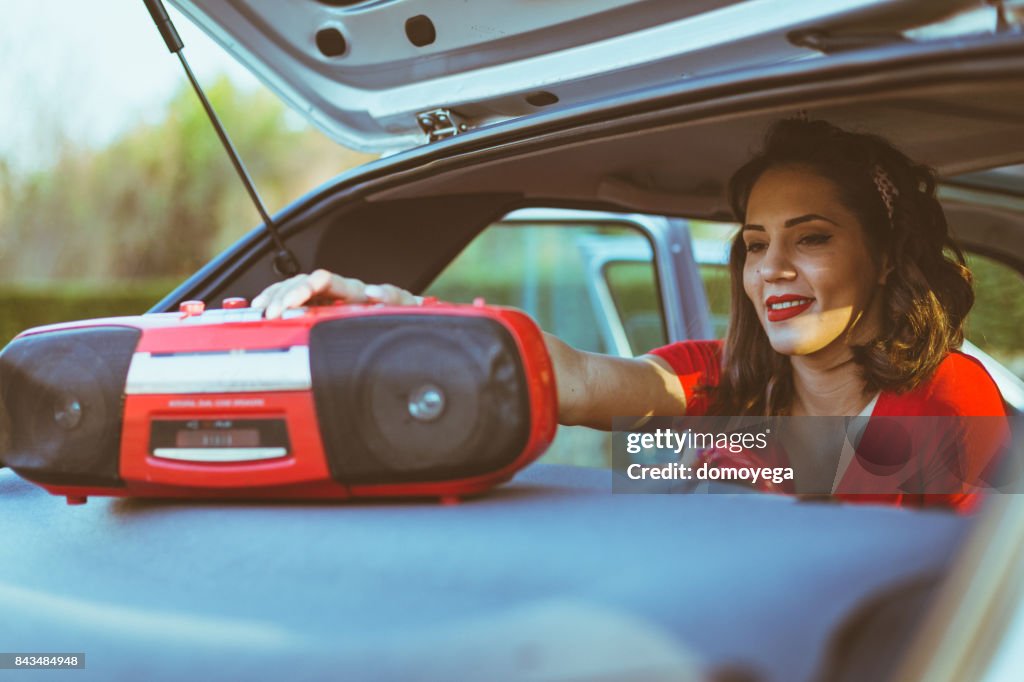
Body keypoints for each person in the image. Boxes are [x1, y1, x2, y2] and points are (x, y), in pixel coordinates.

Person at [253, 119, 1008, 512]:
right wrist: (406, 316)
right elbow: (572, 379)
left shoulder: (951, 394)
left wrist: (703, 460)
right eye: (752, 245)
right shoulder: (712, 380)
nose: (771, 268)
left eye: (811, 238)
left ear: (881, 258)